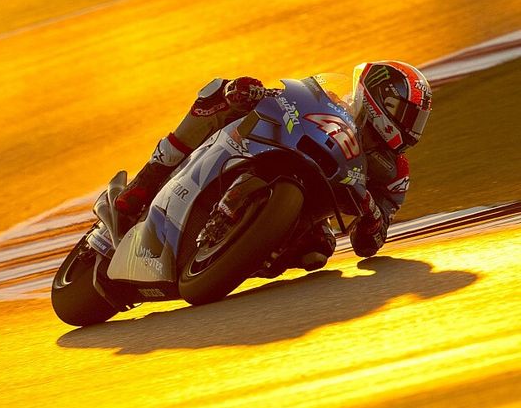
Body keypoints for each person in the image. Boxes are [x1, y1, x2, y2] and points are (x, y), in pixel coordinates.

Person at [113, 62, 433, 267]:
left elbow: (369, 245)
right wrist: (253, 91)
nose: (411, 127)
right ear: (380, 98)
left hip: (306, 208)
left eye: (417, 120)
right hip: (267, 149)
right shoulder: (332, 99)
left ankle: (248, 258)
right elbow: (288, 97)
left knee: (319, 251)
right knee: (218, 93)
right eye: (407, 115)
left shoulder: (394, 173)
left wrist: (372, 215)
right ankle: (145, 181)